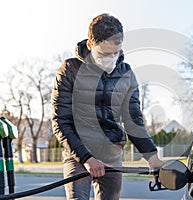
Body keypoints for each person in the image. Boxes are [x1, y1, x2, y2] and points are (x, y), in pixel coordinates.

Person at [51, 13, 164, 200]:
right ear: (90, 45)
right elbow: (60, 121)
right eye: (104, 54)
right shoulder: (69, 70)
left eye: (115, 52)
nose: (111, 58)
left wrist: (152, 157)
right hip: (78, 153)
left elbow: (133, 120)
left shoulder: (126, 74)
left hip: (111, 153)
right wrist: (86, 158)